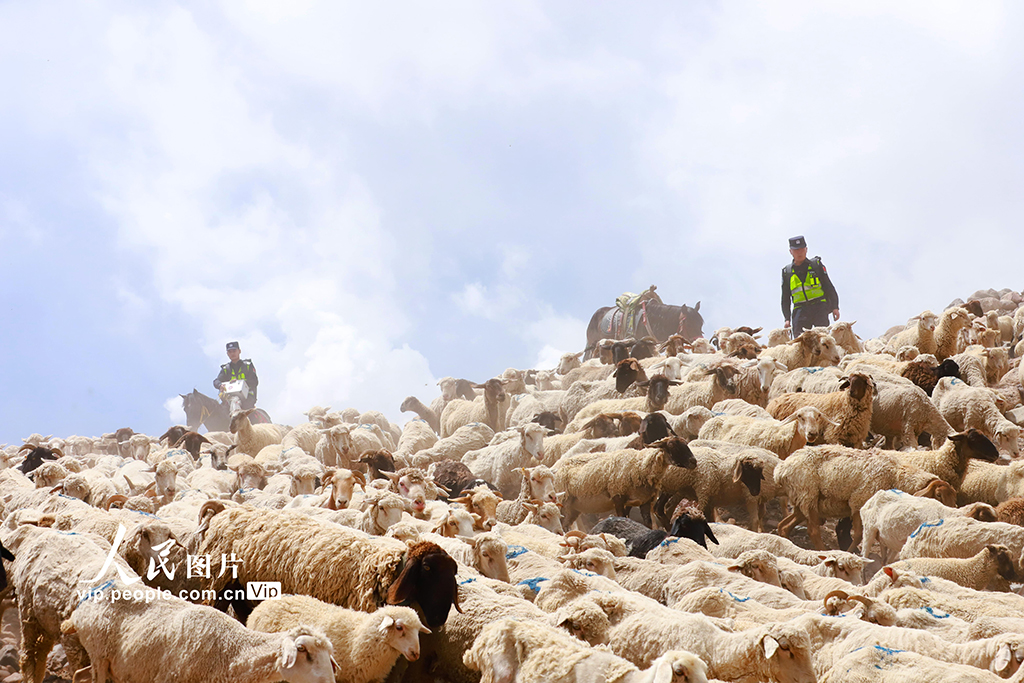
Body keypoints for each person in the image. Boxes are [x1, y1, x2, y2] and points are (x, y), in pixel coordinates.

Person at [782, 236, 840, 335]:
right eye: (796, 250)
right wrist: (787, 319)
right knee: (799, 344)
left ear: (806, 249)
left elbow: (828, 286)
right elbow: (785, 298)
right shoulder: (787, 272)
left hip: (819, 307)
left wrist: (835, 307)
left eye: (801, 249)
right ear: (791, 251)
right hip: (800, 310)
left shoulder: (816, 265)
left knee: (824, 340)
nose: (799, 252)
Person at [213, 341, 259, 410]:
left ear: (239, 351)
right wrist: (220, 385)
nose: (232, 353)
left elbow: (255, 381)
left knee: (248, 413)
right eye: (230, 352)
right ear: (227, 354)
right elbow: (216, 381)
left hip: (248, 398)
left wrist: (240, 382)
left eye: (234, 351)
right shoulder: (226, 369)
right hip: (230, 398)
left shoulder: (247, 365)